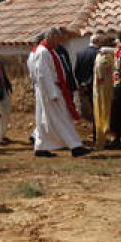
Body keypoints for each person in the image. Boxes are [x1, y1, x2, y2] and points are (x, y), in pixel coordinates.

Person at [26, 27, 90, 157]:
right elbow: (43, 75)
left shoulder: (50, 51)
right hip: (50, 90)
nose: (58, 43)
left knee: (45, 119)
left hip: (54, 88)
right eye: (56, 40)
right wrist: (52, 93)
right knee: (61, 118)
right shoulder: (43, 52)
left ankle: (40, 146)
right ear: (49, 37)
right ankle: (75, 146)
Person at [92, 33, 118, 148]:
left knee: (101, 114)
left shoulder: (100, 56)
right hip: (106, 92)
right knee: (107, 115)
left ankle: (103, 139)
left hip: (100, 92)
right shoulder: (107, 57)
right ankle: (108, 139)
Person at [72, 34, 98, 123]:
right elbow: (95, 71)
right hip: (94, 85)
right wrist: (88, 82)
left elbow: (76, 70)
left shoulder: (80, 53)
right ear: (97, 41)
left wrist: (81, 83)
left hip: (83, 86)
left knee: (86, 109)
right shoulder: (97, 53)